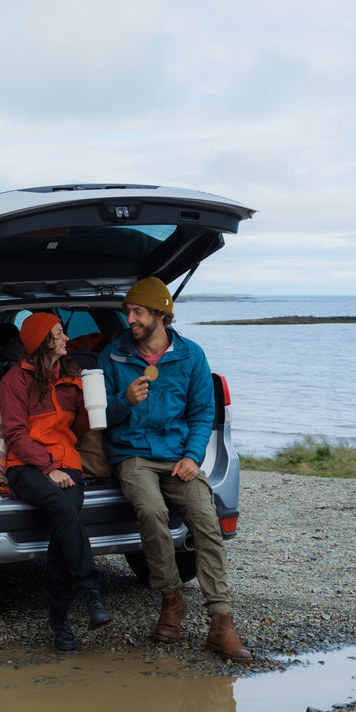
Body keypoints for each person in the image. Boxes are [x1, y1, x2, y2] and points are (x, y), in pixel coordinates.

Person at [98, 277, 251, 662]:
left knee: (205, 517)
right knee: (152, 511)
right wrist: (123, 400)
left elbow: (203, 414)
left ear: (161, 315)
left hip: (178, 456)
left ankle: (222, 621)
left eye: (137, 312)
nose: (129, 318)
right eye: (128, 312)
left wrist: (191, 457)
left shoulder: (191, 355)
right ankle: (172, 599)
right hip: (132, 454)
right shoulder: (113, 355)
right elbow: (97, 416)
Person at [0, 312, 112, 651]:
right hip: (26, 467)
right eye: (60, 334)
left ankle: (61, 620)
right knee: (64, 511)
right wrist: (48, 467)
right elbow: (15, 435)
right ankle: (91, 594)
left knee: (65, 519)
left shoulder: (71, 376)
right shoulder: (14, 382)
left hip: (69, 465)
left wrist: (91, 407)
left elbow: (76, 431)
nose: (66, 339)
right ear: (43, 341)